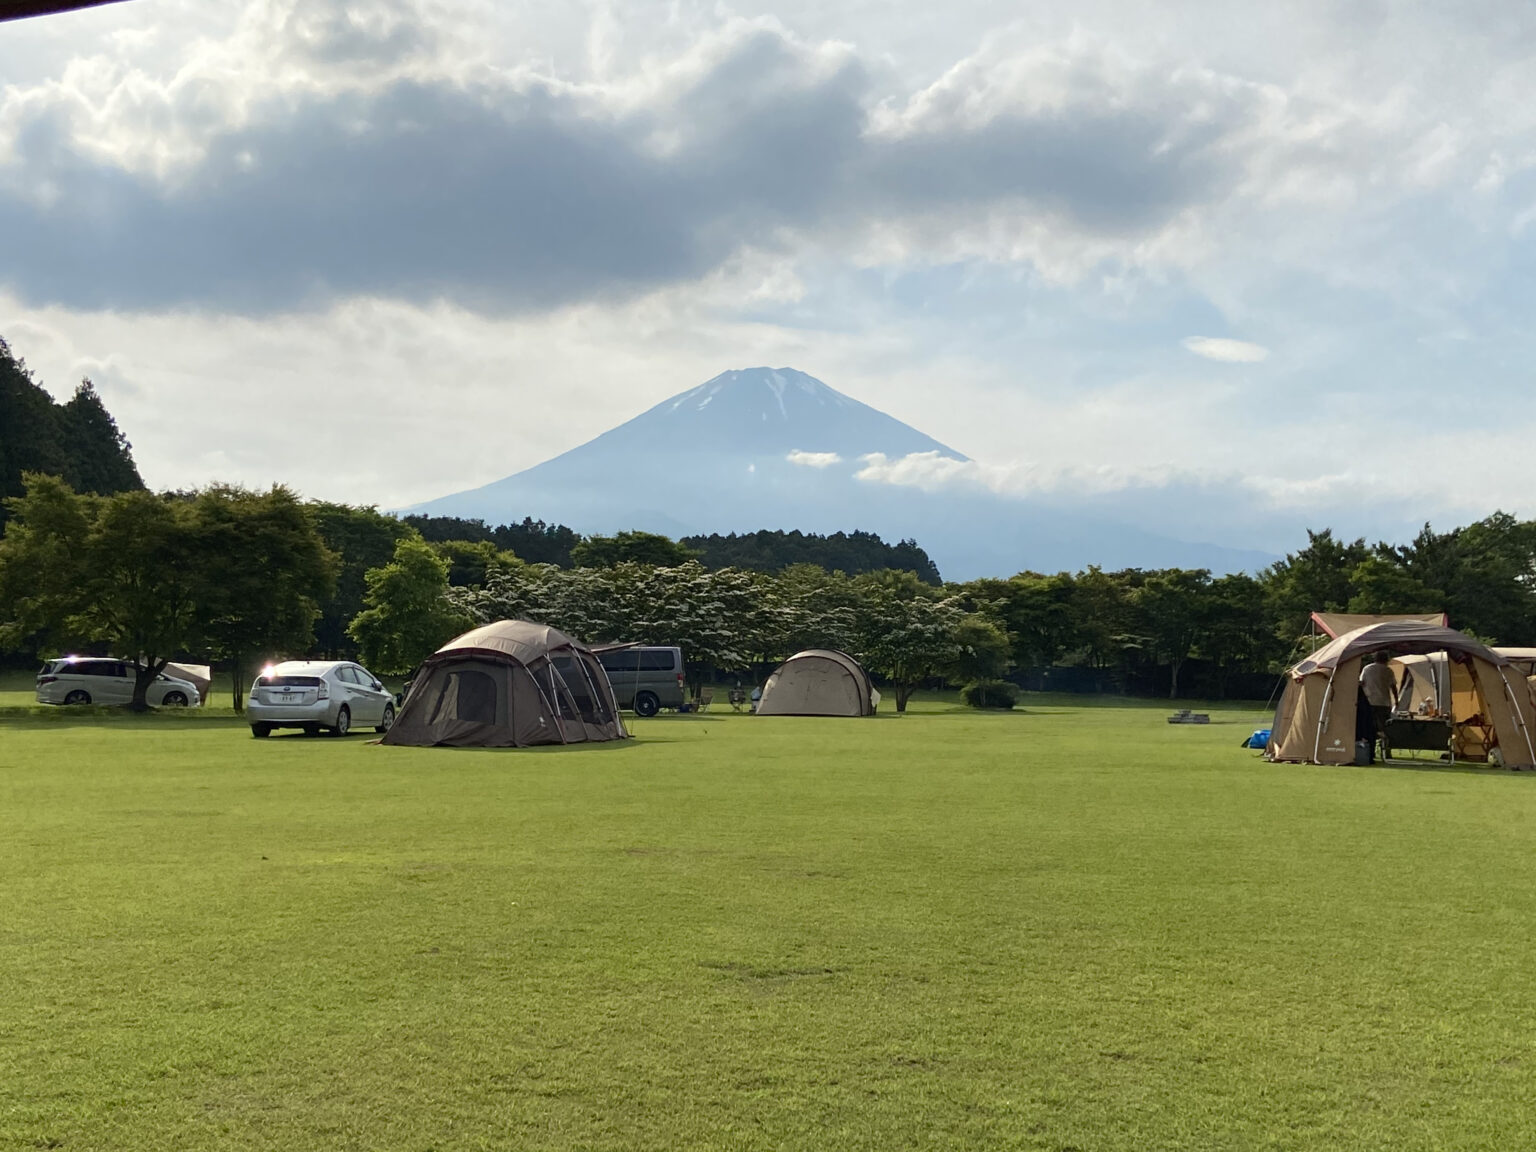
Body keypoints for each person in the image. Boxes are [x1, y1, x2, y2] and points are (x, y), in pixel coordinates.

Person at [1360, 651, 1397, 760]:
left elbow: (1361, 682)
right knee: (1385, 728)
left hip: (1369, 702)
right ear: (1386, 659)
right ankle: (1386, 751)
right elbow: (1393, 686)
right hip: (1384, 703)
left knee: (1369, 728)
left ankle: (1369, 750)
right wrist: (1396, 699)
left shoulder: (1367, 669)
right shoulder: (1388, 670)